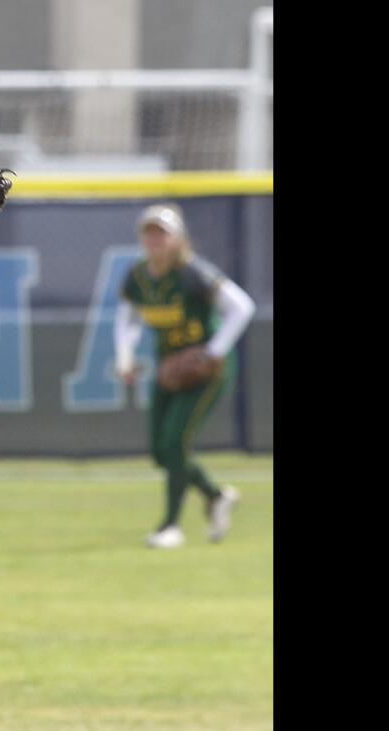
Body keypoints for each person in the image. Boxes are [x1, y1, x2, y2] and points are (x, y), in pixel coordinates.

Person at [113, 203, 256, 549]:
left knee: (175, 442)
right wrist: (125, 355)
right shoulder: (138, 276)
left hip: (206, 372)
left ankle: (170, 527)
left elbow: (242, 306)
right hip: (168, 370)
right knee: (161, 452)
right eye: (149, 233)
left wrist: (213, 352)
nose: (155, 240)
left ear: (178, 238)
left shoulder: (193, 273)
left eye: (162, 233)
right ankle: (216, 495)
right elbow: (128, 318)